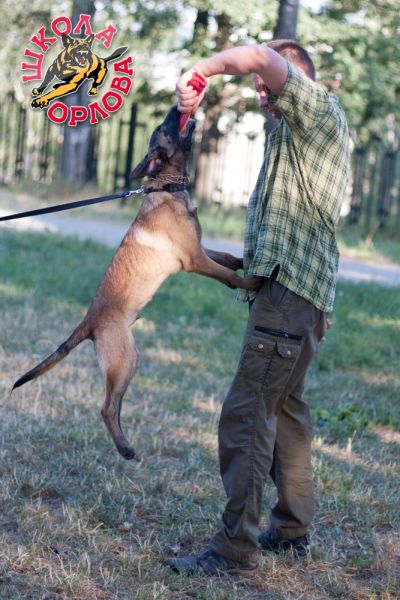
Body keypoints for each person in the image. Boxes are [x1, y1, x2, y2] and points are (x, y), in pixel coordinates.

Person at [171, 39, 350, 576]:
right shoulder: (294, 133)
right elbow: (304, 231)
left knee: (247, 415)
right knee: (285, 409)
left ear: (295, 79)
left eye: (266, 87)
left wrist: (200, 71)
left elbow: (256, 55)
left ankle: (234, 550)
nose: (261, 95)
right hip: (300, 299)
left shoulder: (315, 107)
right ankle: (291, 531)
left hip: (287, 301)